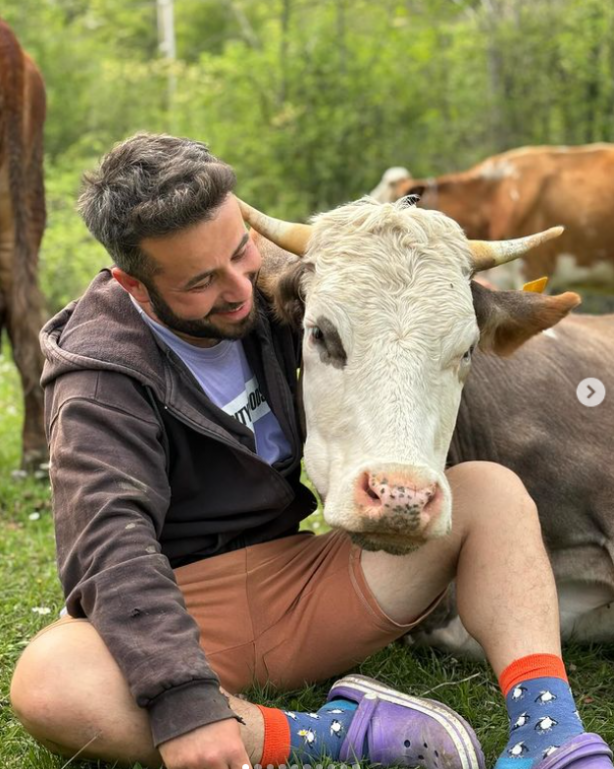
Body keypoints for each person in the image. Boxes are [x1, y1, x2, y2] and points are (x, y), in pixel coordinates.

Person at [10, 133, 613, 769]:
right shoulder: (99, 373)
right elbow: (110, 546)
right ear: (134, 285)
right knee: (51, 680)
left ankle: (550, 729)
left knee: (488, 488)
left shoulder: (272, 291)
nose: (241, 289)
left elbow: (390, 321)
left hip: (304, 577)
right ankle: (337, 734)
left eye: (242, 251)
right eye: (200, 281)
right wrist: (184, 702)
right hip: (182, 606)